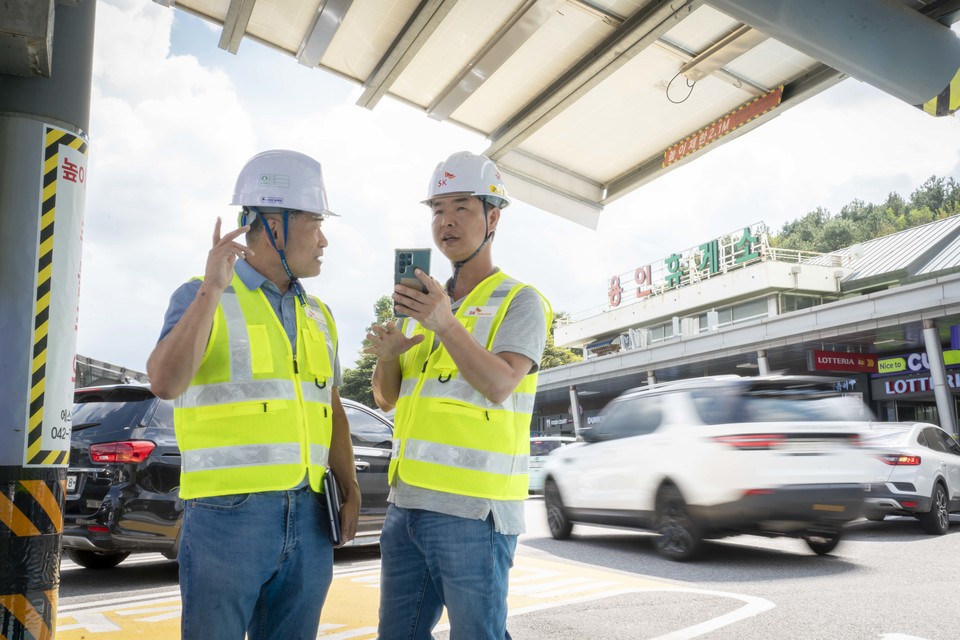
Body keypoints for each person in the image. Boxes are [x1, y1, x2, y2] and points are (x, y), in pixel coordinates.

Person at [146, 149, 360, 640]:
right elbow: (165, 381)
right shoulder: (203, 294)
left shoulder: (319, 316)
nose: (324, 239)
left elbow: (332, 410)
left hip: (309, 514)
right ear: (275, 226)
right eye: (315, 222)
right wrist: (210, 291)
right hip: (228, 517)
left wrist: (348, 489)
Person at [366, 151, 552, 640]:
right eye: (437, 210)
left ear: (493, 217)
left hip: (474, 513)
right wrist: (387, 355)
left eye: (461, 208)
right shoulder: (424, 305)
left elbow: (499, 383)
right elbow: (387, 400)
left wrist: (444, 322)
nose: (445, 222)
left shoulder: (520, 301)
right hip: (405, 506)